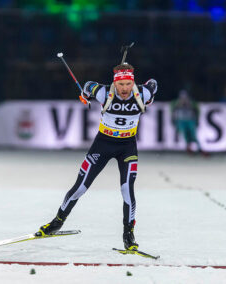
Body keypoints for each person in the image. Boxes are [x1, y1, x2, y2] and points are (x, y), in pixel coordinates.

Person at [36, 63, 157, 251]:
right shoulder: (103, 93)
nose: (124, 89)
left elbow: (153, 84)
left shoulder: (142, 93)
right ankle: (57, 222)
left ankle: (128, 234)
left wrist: (149, 96)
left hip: (127, 146)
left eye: (127, 84)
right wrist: (84, 95)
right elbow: (87, 85)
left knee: (127, 189)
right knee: (80, 187)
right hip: (103, 144)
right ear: (114, 84)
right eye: (120, 85)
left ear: (132, 82)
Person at [171, 90, 204, 154]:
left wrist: (197, 120)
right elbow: (172, 110)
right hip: (181, 120)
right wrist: (174, 120)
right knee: (185, 135)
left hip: (190, 120)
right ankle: (189, 148)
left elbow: (197, 111)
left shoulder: (192, 102)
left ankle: (199, 148)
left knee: (193, 135)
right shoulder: (176, 102)